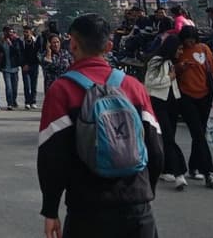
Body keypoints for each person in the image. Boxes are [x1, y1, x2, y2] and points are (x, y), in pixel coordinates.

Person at [37, 13, 163, 238]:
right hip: (136, 207)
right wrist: (145, 191)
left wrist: (51, 210)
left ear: (72, 43)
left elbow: (52, 157)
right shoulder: (133, 87)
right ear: (109, 45)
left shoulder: (62, 90)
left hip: (87, 209)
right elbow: (155, 148)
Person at [174, 26, 213, 188]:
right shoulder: (179, 51)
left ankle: (193, 166)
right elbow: (172, 72)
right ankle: (208, 172)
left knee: (199, 133)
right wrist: (180, 68)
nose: (190, 42)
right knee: (199, 134)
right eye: (187, 39)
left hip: (205, 95)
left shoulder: (204, 49)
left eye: (192, 39)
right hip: (186, 97)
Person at [144, 35, 187, 191]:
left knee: (169, 137)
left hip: (172, 102)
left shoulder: (170, 62)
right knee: (168, 137)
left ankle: (167, 168)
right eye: (179, 49)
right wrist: (169, 77)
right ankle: (179, 173)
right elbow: (150, 82)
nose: (181, 52)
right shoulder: (156, 61)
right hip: (158, 102)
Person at [19, 26, 42, 109]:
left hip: (34, 65)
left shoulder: (36, 40)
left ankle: (33, 101)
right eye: (24, 32)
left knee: (33, 84)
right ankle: (27, 102)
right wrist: (23, 64)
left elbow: (39, 51)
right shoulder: (21, 41)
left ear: (31, 32)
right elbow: (20, 54)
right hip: (25, 66)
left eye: (27, 32)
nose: (25, 33)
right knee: (27, 85)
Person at [0, 26, 21, 110]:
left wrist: (11, 44)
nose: (10, 34)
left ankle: (14, 100)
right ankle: (9, 103)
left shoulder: (15, 41)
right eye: (8, 32)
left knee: (14, 87)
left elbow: (17, 52)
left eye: (11, 32)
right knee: (8, 87)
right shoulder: (1, 42)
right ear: (4, 33)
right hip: (5, 68)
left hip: (14, 67)